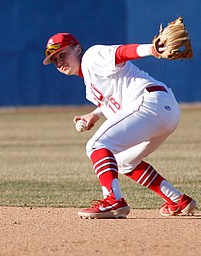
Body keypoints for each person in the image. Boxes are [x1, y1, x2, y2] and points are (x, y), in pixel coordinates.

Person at [43, 32, 197, 219]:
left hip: (150, 102)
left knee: (96, 145)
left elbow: (121, 53)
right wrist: (95, 113)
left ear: (77, 49)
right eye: (54, 60)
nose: (59, 61)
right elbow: (115, 101)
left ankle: (113, 200)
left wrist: (151, 49)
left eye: (62, 54)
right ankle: (177, 200)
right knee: (125, 162)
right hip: (165, 111)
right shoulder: (90, 86)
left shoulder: (91, 57)